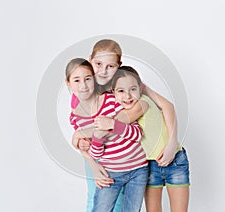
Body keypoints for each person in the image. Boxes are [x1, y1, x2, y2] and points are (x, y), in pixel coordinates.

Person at [70, 39, 181, 211]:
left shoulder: (126, 82)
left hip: (127, 154)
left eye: (111, 66)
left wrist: (172, 142)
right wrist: (85, 150)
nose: (103, 71)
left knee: (122, 204)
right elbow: (80, 130)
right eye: (98, 64)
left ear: (119, 66)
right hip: (97, 154)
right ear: (90, 60)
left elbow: (164, 106)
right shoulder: (83, 87)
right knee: (95, 200)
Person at [66, 58, 148, 212]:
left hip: (138, 169)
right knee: (99, 205)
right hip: (110, 169)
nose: (83, 85)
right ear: (68, 83)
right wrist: (96, 138)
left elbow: (137, 130)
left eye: (88, 79)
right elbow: (93, 151)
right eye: (77, 80)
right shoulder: (76, 114)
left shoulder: (113, 99)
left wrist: (112, 125)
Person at [107, 66, 190, 212]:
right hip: (148, 166)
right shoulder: (122, 107)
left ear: (141, 88)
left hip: (175, 160)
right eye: (121, 91)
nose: (127, 96)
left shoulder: (142, 102)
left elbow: (112, 124)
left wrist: (172, 143)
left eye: (133, 89)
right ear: (113, 92)